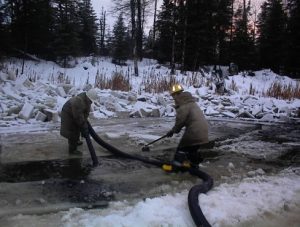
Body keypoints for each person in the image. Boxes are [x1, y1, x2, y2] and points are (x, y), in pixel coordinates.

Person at [166, 84, 209, 168]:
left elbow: (180, 122)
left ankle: (176, 167)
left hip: (195, 132)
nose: (173, 98)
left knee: (181, 150)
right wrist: (174, 130)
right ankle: (195, 164)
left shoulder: (183, 105)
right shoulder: (190, 102)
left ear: (176, 94)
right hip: (203, 131)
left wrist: (173, 131)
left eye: (173, 95)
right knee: (192, 149)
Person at [60, 88, 98, 155]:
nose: (91, 102)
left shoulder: (87, 101)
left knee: (78, 127)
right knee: (72, 131)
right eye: (91, 100)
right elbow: (78, 117)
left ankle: (76, 141)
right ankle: (72, 150)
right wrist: (83, 126)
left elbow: (86, 113)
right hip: (67, 114)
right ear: (88, 97)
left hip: (74, 113)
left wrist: (85, 123)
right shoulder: (78, 101)